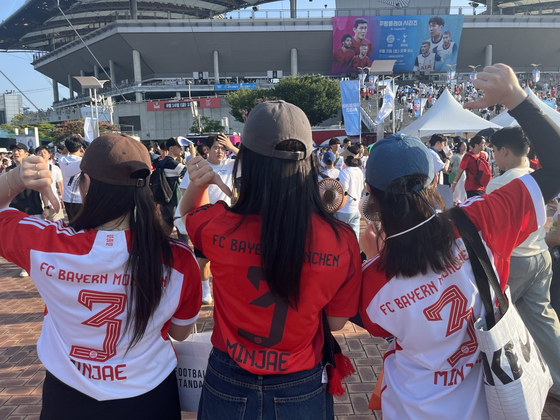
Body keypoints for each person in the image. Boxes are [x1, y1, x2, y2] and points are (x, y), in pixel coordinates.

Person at [359, 63, 560, 418]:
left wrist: (374, 254)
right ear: (434, 181)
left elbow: (373, 325)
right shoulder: (481, 219)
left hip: (408, 407)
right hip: (490, 403)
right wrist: (516, 98)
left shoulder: (370, 280)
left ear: (371, 196)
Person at [180, 100, 362, 419]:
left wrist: (199, 184)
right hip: (301, 381)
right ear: (308, 164)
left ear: (246, 162)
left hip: (228, 379)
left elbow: (189, 214)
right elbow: (335, 322)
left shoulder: (219, 226)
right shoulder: (340, 240)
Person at [0, 133, 202, 419]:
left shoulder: (45, 244)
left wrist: (15, 179)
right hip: (150, 395)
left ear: (87, 185)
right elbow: (179, 333)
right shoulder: (178, 258)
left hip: (68, 396)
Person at [486, 126, 560, 395]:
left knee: (495, 321)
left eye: (494, 151)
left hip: (515, 261)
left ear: (503, 150)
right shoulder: (537, 178)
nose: (495, 157)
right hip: (541, 256)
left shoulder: (500, 183)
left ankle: (500, 382)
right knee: (544, 320)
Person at [179, 133, 238, 306]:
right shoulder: (200, 166)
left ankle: (225, 290)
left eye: (223, 148)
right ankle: (206, 290)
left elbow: (251, 161)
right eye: (217, 147)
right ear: (207, 149)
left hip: (228, 220)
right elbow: (185, 192)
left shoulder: (232, 164)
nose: (220, 151)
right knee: (203, 259)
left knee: (227, 261)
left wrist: (232, 146)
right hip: (204, 221)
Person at [334, 145, 364, 239]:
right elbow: (361, 189)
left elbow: (343, 191)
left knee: (341, 237)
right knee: (354, 238)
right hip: (356, 209)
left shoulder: (344, 172)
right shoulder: (359, 171)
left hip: (344, 210)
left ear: (347, 158)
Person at [59, 135, 85, 221]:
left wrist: (70, 142)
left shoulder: (62, 159)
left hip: (67, 198)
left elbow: (64, 153)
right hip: (81, 198)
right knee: (83, 224)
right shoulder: (83, 161)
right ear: (80, 148)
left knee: (72, 223)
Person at [35, 145, 64, 221]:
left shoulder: (55, 168)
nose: (43, 154)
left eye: (45, 152)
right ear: (36, 155)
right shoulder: (33, 169)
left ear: (49, 155)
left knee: (57, 225)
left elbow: (60, 184)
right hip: (38, 203)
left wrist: (62, 199)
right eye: (40, 153)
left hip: (54, 201)